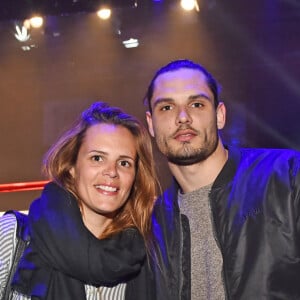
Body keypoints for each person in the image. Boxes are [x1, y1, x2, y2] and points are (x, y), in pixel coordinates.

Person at [144, 59, 300, 300]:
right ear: (150, 124)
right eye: (166, 107)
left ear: (219, 115)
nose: (182, 117)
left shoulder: (287, 176)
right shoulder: (153, 223)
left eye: (196, 104)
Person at [0, 101, 159, 300]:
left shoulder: (146, 258)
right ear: (71, 167)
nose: (111, 172)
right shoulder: (12, 236)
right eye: (97, 158)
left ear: (135, 177)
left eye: (124, 163)